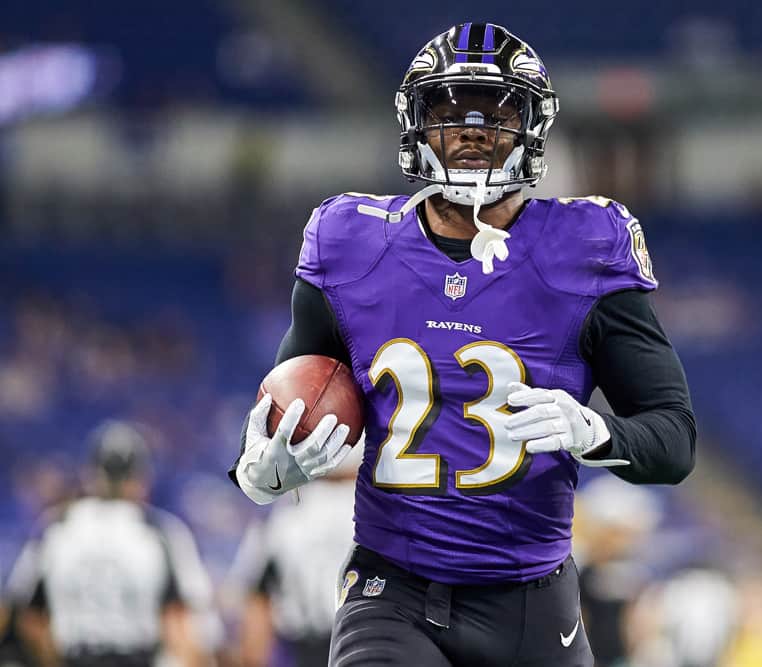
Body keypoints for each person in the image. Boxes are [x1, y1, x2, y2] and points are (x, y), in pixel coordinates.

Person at [229, 22, 697, 667]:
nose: (472, 130)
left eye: (496, 112)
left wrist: (596, 433)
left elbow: (673, 440)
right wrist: (257, 469)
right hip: (389, 588)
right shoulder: (349, 243)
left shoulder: (585, 248)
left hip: (530, 599)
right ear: (416, 126)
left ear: (531, 129)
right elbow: (297, 395)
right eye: (449, 110)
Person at [5, 421, 213, 667]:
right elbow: (179, 626)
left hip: (75, 658)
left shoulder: (56, 527)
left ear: (90, 473)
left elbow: (27, 616)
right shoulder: (160, 531)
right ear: (141, 477)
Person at [229, 446, 361, 666]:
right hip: (372, 639)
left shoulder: (283, 514)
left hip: (306, 648)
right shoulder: (383, 511)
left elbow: (258, 605)